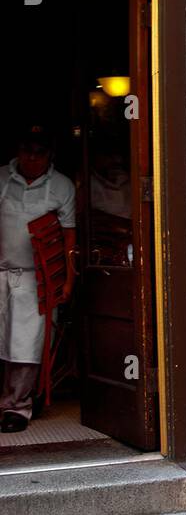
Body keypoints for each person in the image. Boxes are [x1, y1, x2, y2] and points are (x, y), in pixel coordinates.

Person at [0, 125, 76, 432]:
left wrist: (68, 281)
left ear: (50, 155)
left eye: (39, 152)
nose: (32, 158)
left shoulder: (61, 186)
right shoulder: (2, 178)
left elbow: (70, 237)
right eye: (27, 150)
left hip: (37, 279)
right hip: (1, 271)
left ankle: (16, 407)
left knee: (26, 345)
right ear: (18, 151)